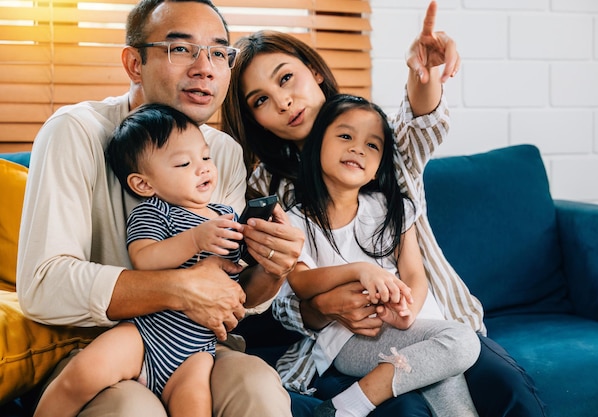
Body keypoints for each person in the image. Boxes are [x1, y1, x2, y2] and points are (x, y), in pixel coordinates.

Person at [221, 2, 546, 416]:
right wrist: (325, 306)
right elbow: (282, 294)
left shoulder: (382, 147)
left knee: (507, 389)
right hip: (344, 340)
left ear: (315, 72)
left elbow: (420, 123)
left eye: (287, 79)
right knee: (409, 410)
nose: (284, 101)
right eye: (261, 100)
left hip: (432, 322)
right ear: (256, 121)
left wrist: (422, 76)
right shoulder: (268, 190)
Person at [17, 1, 303, 416]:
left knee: (258, 386)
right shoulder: (75, 132)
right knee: (134, 410)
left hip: (189, 342)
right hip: (91, 345)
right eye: (181, 49)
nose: (205, 67)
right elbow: (44, 283)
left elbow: (233, 294)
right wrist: (178, 287)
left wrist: (273, 268)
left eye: (219, 52)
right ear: (134, 64)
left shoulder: (221, 152)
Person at [33, 103, 247, 417]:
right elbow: (144, 259)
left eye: (205, 156)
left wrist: (260, 244)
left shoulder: (224, 215)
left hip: (195, 349)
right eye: (184, 163)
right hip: (145, 334)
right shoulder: (155, 212)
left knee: (195, 405)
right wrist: (195, 239)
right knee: (84, 373)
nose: (203, 168)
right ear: (144, 184)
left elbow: (236, 272)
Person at [285, 94, 481, 417]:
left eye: (372, 145)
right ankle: (352, 404)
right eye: (345, 136)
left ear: (378, 167)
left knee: (452, 387)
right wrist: (359, 270)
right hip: (352, 338)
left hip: (418, 327)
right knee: (461, 342)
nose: (358, 149)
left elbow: (415, 274)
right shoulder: (296, 220)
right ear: (317, 144)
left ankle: (344, 407)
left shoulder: (392, 208)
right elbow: (302, 282)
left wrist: (408, 311)